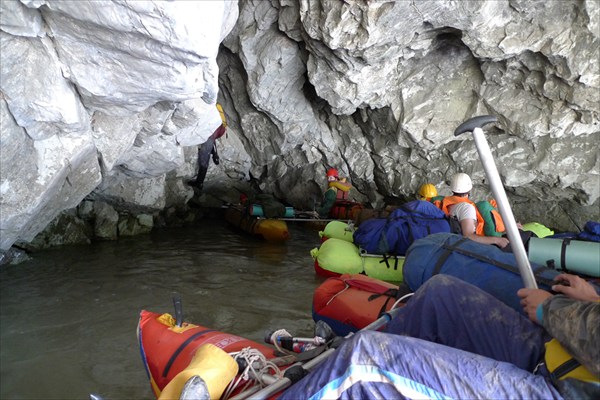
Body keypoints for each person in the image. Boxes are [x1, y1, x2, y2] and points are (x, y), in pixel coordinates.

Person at [280, 273, 599, 399]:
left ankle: (355, 379)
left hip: (567, 391)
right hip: (564, 356)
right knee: (439, 293)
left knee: (365, 359)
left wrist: (551, 310)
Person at [434, 172, 510, 248]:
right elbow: (469, 236)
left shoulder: (446, 203)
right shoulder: (466, 208)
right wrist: (497, 240)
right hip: (474, 247)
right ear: (469, 190)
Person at [188, 104, 227, 192]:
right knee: (208, 149)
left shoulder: (210, 111)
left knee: (204, 158)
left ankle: (199, 183)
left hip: (211, 133)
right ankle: (213, 153)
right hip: (216, 131)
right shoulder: (216, 110)